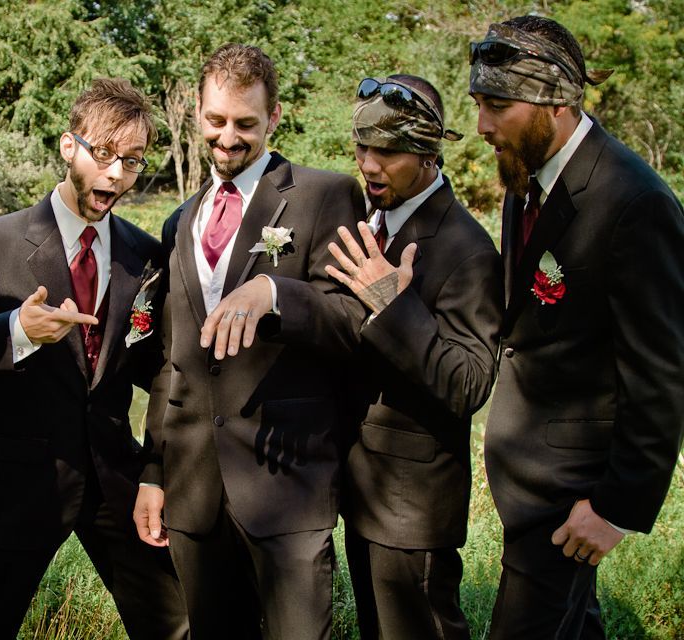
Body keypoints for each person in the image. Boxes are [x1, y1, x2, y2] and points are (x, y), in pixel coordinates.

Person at [0, 78, 188, 640]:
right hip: (23, 477)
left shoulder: (144, 253)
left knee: (173, 622)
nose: (116, 174)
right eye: (104, 154)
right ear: (69, 146)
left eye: (131, 162)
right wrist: (17, 329)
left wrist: (157, 467)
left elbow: (154, 366)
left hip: (115, 475)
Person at [132, 43, 366, 640]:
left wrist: (278, 293)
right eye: (216, 121)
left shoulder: (323, 196)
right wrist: (153, 472)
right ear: (197, 113)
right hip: (192, 488)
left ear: (275, 117)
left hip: (286, 481)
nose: (228, 137)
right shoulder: (179, 220)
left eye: (245, 123)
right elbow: (171, 362)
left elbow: (353, 326)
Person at [469, 15, 684, 639]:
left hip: (571, 498)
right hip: (525, 478)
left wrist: (618, 509)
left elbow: (662, 372)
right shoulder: (523, 178)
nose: (483, 126)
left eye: (499, 106)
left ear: (556, 101)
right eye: (480, 104)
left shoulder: (633, 203)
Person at [326, 74, 503, 639]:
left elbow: (470, 383)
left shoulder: (467, 248)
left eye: (389, 151)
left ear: (428, 152)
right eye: (363, 147)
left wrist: (392, 306)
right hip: (364, 486)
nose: (370, 165)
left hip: (412, 507)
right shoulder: (371, 219)